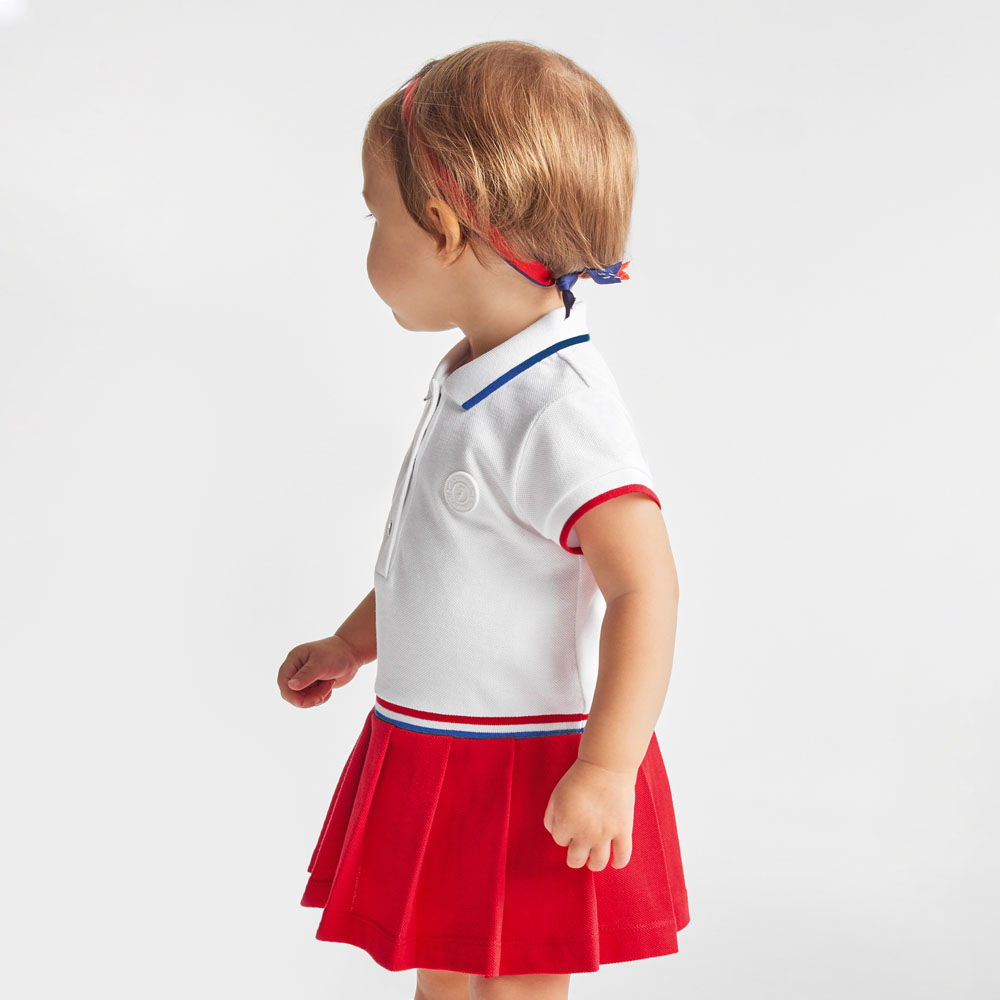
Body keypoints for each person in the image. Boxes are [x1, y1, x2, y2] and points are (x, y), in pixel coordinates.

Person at [276, 39, 689, 1000]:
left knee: (519, 978)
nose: (370, 235)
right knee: (447, 961)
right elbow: (444, 562)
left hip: (528, 759)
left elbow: (645, 585)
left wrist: (607, 765)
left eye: (376, 213)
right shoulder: (475, 378)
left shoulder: (558, 407)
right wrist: (352, 641)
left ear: (443, 229)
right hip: (442, 746)